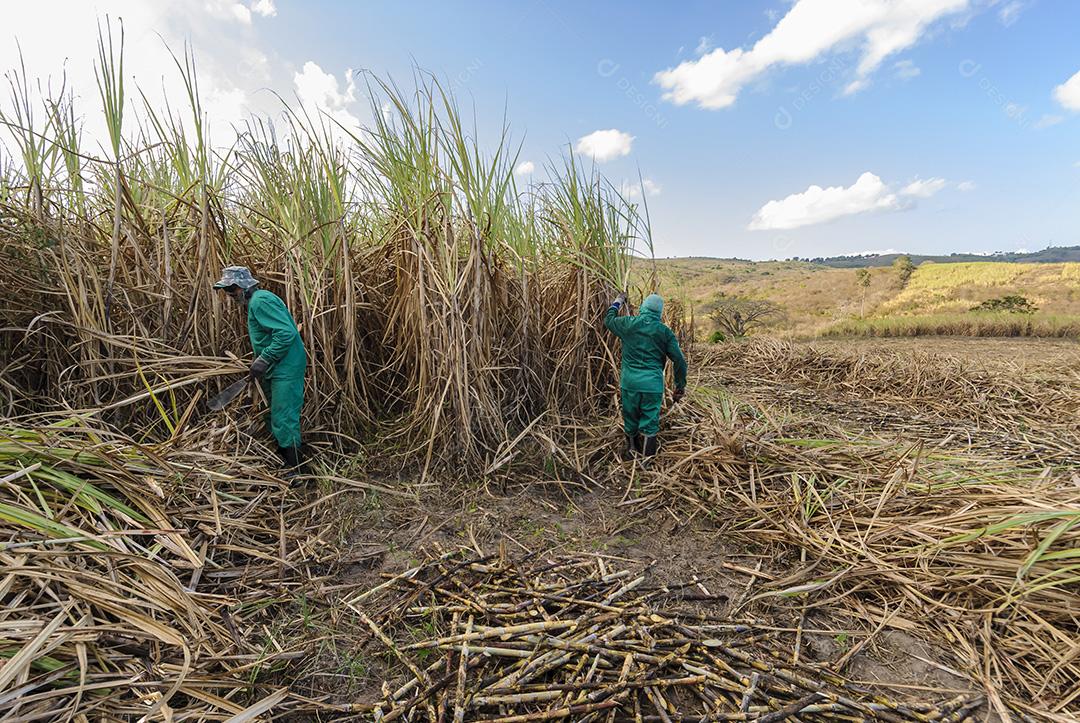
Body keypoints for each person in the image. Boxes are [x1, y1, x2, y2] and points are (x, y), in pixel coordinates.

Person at [213, 266, 307, 473]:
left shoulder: (260, 301)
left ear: (240, 287)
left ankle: (298, 471)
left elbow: (286, 334)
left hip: (286, 367)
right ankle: (288, 460)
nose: (229, 296)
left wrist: (264, 359)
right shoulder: (257, 302)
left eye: (230, 290)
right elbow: (269, 336)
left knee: (283, 417)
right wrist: (260, 361)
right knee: (273, 414)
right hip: (276, 366)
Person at [603, 292, 687, 458]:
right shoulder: (665, 332)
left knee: (630, 415)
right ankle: (647, 460)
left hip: (630, 383)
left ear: (643, 307)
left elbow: (609, 320)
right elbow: (679, 360)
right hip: (652, 385)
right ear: (659, 312)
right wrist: (680, 386)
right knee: (650, 421)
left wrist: (618, 302)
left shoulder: (628, 324)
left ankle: (631, 451)